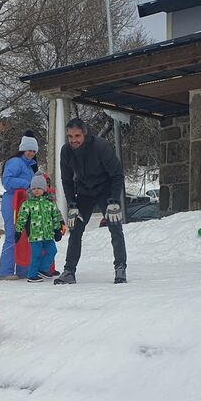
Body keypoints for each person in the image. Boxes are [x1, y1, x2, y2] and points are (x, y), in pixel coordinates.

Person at [54, 118, 128, 285]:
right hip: (84, 192)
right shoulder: (66, 151)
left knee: (115, 227)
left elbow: (117, 175)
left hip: (106, 190)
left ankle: (120, 267)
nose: (74, 140)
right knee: (75, 229)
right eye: (70, 136)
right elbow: (66, 180)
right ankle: (69, 271)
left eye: (77, 136)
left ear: (84, 134)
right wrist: (72, 204)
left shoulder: (100, 147)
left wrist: (114, 201)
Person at [0, 130, 40, 280]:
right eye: (29, 150)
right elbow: (7, 181)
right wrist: (27, 184)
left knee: (24, 237)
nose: (31, 153)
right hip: (12, 202)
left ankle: (23, 269)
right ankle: (5, 271)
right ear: (23, 148)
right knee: (12, 236)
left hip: (24, 203)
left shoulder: (30, 166)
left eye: (34, 151)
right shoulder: (16, 162)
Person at [15, 174, 65, 283]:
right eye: (34, 188)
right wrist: (18, 231)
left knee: (52, 251)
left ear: (44, 189)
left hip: (48, 234)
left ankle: (43, 269)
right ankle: (32, 274)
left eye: (39, 188)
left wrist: (57, 230)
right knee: (36, 254)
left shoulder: (50, 203)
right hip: (35, 235)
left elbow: (55, 216)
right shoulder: (27, 204)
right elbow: (21, 218)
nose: (36, 191)